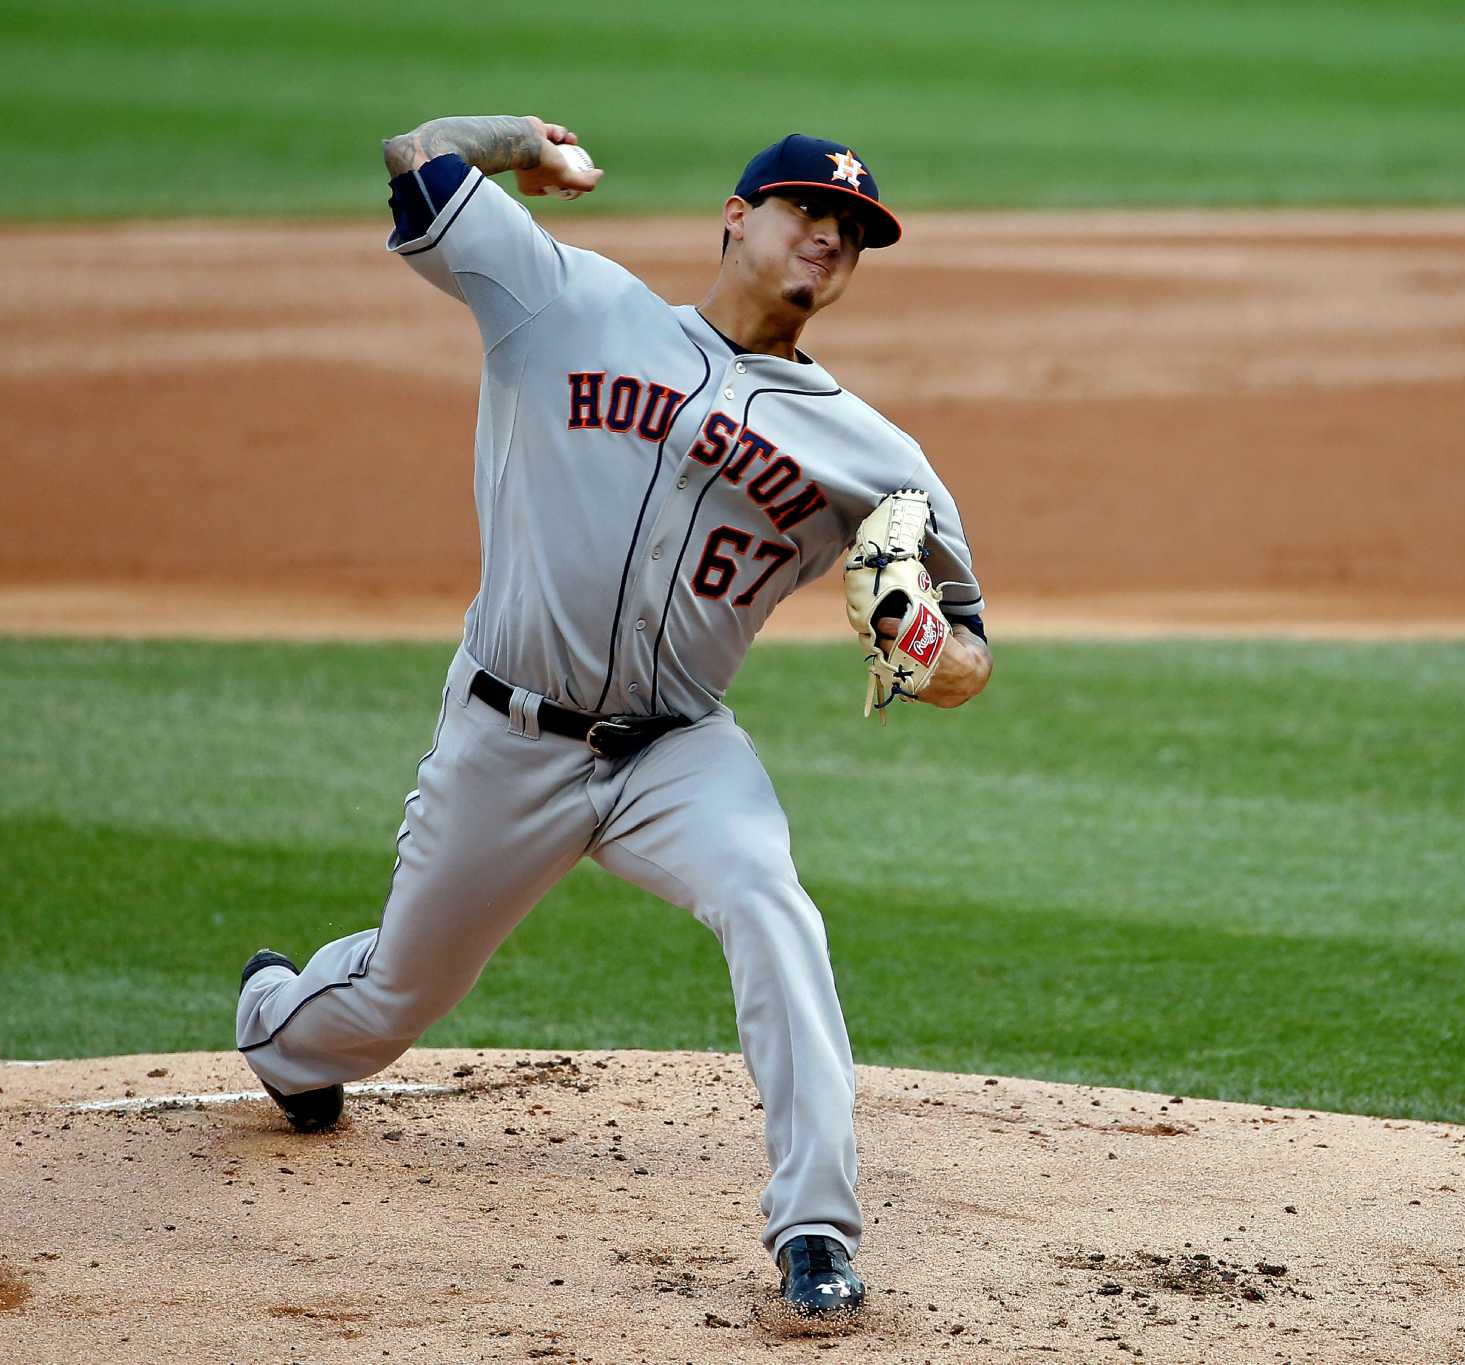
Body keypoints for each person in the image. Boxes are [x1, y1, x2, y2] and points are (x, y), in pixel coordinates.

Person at [234, 115, 992, 1316]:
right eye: (808, 212)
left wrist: (928, 653)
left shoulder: (872, 455)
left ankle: (815, 1235)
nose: (829, 239)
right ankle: (275, 1024)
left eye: (851, 232)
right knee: (390, 1000)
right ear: (736, 218)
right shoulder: (567, 304)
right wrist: (514, 141)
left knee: (769, 902)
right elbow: (413, 160)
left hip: (677, 753)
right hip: (505, 736)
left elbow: (965, 651)